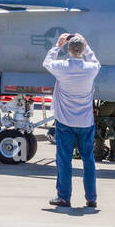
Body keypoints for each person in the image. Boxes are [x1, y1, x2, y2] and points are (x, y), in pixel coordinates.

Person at [43, 32, 102, 208]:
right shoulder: (91, 69)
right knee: (88, 160)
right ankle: (91, 198)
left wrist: (57, 45)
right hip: (85, 122)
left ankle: (64, 197)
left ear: (68, 49)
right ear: (82, 50)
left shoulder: (61, 67)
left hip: (65, 121)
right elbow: (95, 61)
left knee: (64, 159)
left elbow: (46, 62)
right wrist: (86, 45)